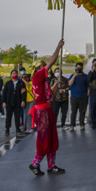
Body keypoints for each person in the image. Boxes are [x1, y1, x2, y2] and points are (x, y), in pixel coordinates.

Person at [28, 40, 65, 175]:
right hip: (42, 111)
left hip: (46, 109)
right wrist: (58, 47)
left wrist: (55, 87)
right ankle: (35, 163)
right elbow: (52, 61)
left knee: (51, 137)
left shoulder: (42, 80)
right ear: (38, 68)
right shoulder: (38, 76)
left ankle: (51, 165)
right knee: (44, 138)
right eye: (43, 66)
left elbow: (50, 96)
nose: (46, 68)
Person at [2, 69, 27, 136]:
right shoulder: (8, 83)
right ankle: (7, 129)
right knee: (8, 116)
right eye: (13, 73)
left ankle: (18, 129)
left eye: (15, 73)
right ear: (11, 75)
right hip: (9, 102)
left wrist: (23, 101)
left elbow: (24, 93)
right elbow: (4, 93)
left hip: (17, 102)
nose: (14, 75)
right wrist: (4, 102)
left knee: (17, 116)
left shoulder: (21, 83)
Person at [67, 62, 89, 130]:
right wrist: (74, 76)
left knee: (82, 112)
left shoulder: (85, 76)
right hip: (74, 96)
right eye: (77, 68)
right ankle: (72, 125)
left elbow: (88, 86)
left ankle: (82, 124)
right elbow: (70, 84)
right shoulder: (72, 75)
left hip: (83, 96)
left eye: (80, 68)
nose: (78, 69)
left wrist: (87, 94)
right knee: (73, 112)